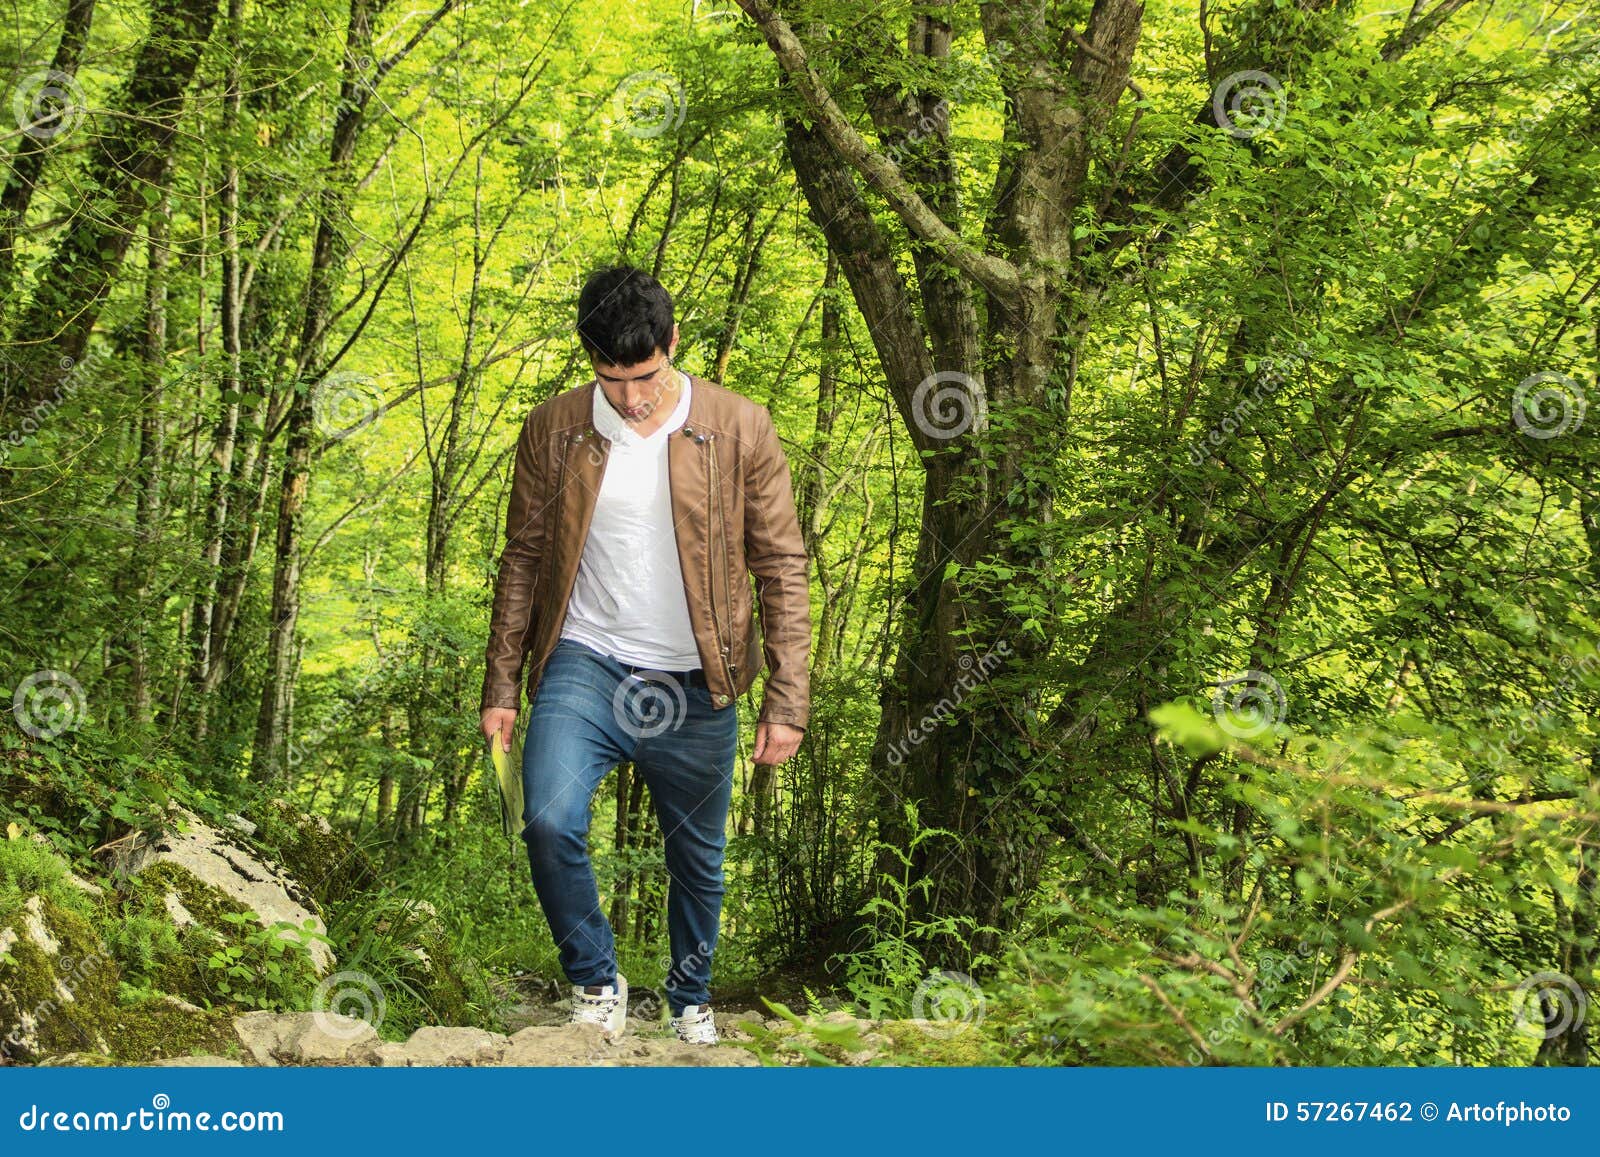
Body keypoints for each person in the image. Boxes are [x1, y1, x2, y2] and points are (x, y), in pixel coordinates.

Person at [479, 264, 811, 1045]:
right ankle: (596, 981)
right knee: (550, 819)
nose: (630, 397)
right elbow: (522, 557)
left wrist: (787, 697)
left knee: (698, 858)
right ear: (588, 358)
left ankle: (689, 996)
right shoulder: (553, 427)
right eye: (610, 377)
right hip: (585, 661)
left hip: (701, 678)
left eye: (646, 376)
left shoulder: (740, 427)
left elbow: (782, 565)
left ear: (673, 343)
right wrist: (500, 682)